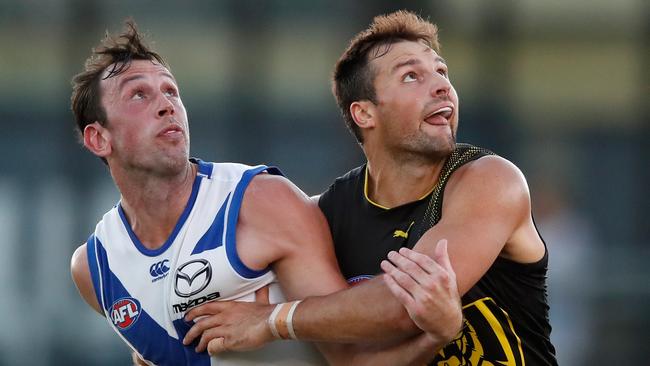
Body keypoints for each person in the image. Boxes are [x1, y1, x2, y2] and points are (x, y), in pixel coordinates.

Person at [69, 19, 463, 366]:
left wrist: (437, 334)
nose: (167, 106)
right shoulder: (94, 269)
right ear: (98, 138)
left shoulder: (260, 202)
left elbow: (354, 360)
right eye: (139, 94)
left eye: (171, 92)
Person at [184, 10, 558, 365]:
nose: (442, 86)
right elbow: (355, 362)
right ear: (364, 113)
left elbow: (400, 305)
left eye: (441, 71)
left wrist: (271, 322)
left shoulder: (489, 180)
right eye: (412, 76)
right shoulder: (326, 218)